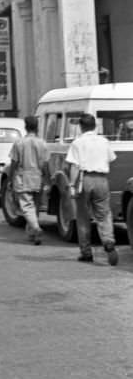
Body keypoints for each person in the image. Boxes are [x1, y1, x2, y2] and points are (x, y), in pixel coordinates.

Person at [65, 112, 118, 265]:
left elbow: (74, 166)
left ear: (81, 127)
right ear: (95, 126)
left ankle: (86, 252)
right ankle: (108, 240)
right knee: (104, 214)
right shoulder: (104, 141)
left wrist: (71, 185)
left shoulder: (77, 143)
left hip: (84, 179)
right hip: (101, 179)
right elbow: (111, 159)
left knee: (83, 217)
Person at [7, 115, 49, 245]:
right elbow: (46, 164)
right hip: (38, 177)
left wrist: (10, 177)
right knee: (35, 206)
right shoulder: (42, 143)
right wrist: (47, 179)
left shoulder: (19, 143)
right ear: (37, 127)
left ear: (25, 127)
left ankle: (35, 228)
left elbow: (14, 162)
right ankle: (32, 234)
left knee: (26, 206)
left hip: (23, 177)